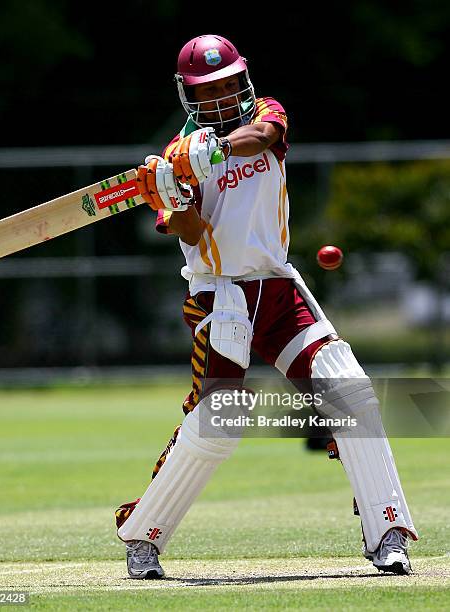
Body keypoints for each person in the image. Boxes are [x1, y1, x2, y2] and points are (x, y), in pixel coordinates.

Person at [115, 34, 418, 579]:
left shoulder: (264, 114)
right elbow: (190, 231)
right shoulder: (174, 157)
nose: (226, 94)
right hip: (220, 295)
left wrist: (220, 148)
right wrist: (171, 192)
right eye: (212, 88)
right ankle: (143, 537)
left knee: (350, 391)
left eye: (231, 82)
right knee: (219, 424)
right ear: (191, 95)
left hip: (278, 288)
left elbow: (266, 135)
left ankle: (388, 532)